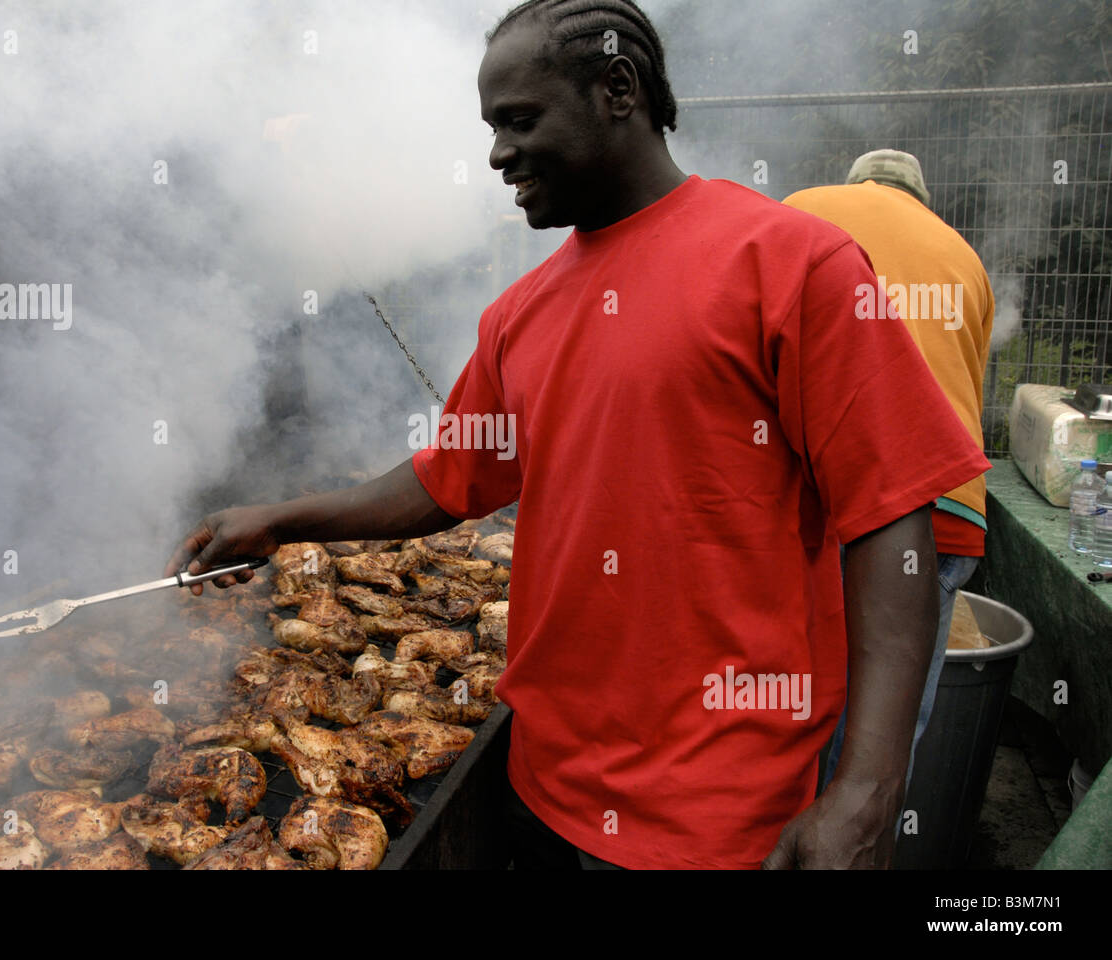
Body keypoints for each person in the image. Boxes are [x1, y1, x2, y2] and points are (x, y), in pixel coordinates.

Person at [165, 0, 990, 869]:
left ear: (617, 89)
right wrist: (281, 521)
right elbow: (442, 483)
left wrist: (866, 789)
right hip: (538, 786)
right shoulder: (519, 315)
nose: (496, 153)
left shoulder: (792, 263)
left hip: (714, 813)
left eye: (519, 121)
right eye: (491, 128)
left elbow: (892, 519)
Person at [782, 150, 995, 791]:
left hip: (835, 503)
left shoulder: (802, 211)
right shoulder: (965, 257)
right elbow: (963, 404)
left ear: (857, 185)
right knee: (881, 743)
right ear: (920, 200)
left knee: (790, 715)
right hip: (950, 510)